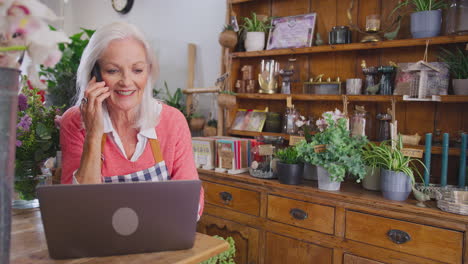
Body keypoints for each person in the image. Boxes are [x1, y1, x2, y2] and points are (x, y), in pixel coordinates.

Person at [60, 21, 203, 218]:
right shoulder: (74, 122)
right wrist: (93, 134)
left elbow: (192, 205)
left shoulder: (172, 121)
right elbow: (76, 211)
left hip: (160, 240)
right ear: (95, 74)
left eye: (137, 70)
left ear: (149, 72)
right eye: (113, 70)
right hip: (97, 244)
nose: (126, 82)